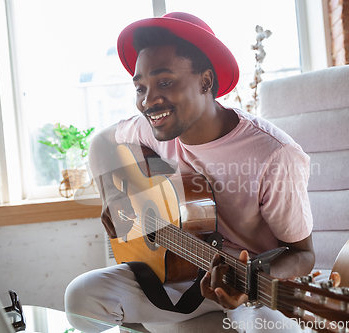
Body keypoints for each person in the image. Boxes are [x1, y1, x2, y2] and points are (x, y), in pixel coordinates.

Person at [65, 12, 314, 333]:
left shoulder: (275, 154)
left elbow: (303, 254)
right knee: (82, 296)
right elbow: (101, 141)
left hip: (239, 284)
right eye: (141, 88)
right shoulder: (153, 128)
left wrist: (252, 281)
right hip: (172, 274)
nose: (148, 101)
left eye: (165, 82)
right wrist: (112, 195)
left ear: (205, 81)